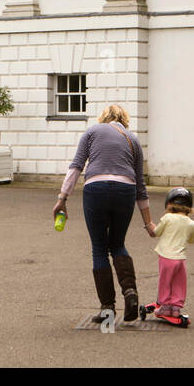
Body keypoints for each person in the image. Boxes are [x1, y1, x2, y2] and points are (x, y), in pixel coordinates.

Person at [53, 105, 153, 322]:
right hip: (125, 189)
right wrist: (148, 223)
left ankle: (107, 309)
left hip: (95, 188)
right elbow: (140, 185)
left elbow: (76, 167)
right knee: (117, 244)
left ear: (103, 118)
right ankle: (130, 292)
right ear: (124, 120)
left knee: (99, 249)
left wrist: (62, 199)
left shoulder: (92, 132)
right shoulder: (133, 139)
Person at [142, 187, 194, 327]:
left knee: (165, 281)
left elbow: (156, 232)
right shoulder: (191, 224)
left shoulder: (167, 218)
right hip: (180, 259)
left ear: (169, 203)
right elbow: (191, 240)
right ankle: (175, 307)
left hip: (166, 257)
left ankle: (164, 306)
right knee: (179, 282)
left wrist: (150, 225)